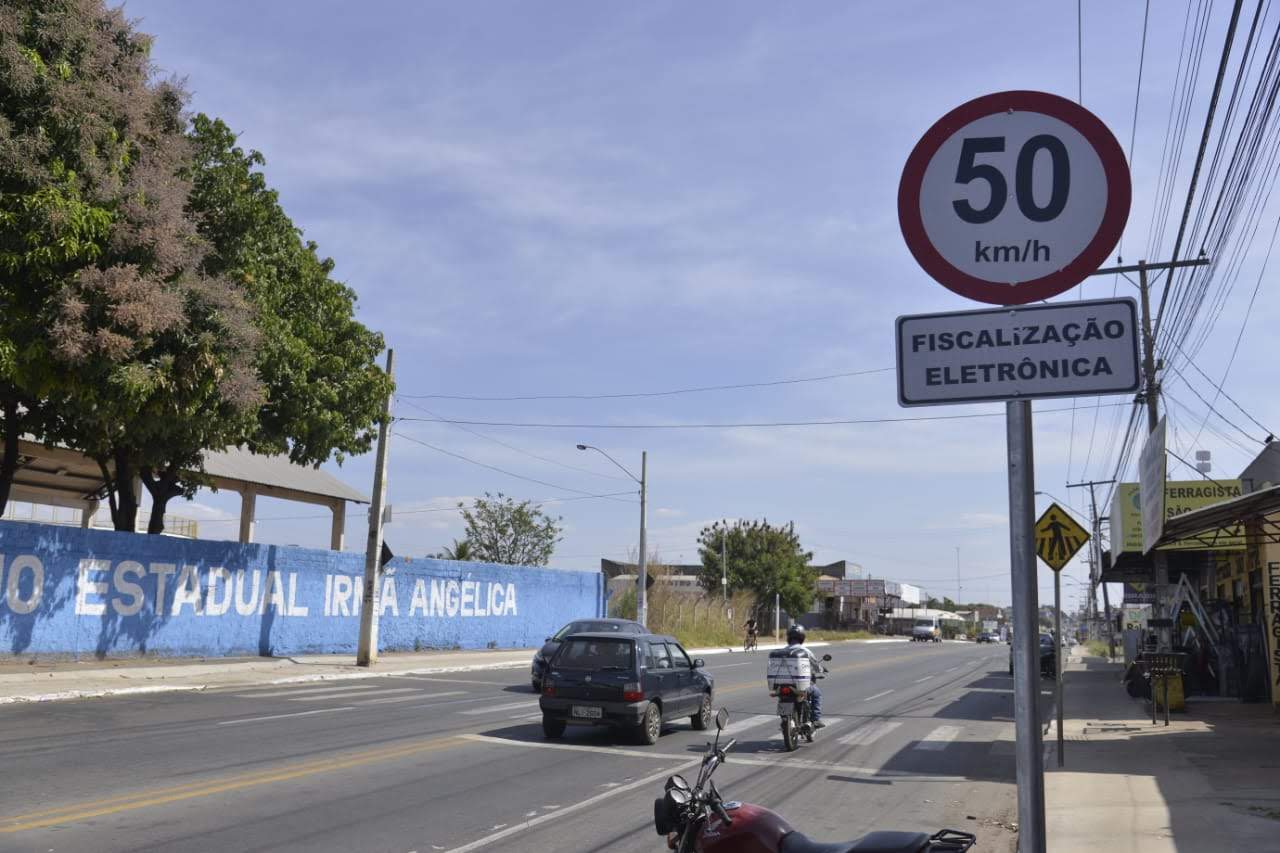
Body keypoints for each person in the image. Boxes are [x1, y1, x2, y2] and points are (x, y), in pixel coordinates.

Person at [784, 624, 825, 727]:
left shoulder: (783, 651)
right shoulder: (805, 651)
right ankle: (815, 719)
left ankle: (785, 719)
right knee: (817, 694)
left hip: (783, 683)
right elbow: (815, 665)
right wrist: (821, 670)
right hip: (800, 685)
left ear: (788, 637)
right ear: (802, 637)